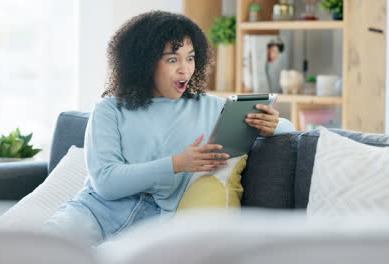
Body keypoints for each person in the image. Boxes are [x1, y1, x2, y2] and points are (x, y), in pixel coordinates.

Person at [42, 10, 295, 246]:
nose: (185, 68)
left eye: (191, 57)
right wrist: (176, 164)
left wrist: (271, 125)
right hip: (93, 213)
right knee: (40, 251)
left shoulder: (208, 107)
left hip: (153, 226)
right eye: (172, 59)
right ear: (144, 62)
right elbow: (106, 182)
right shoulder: (109, 109)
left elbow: (288, 129)